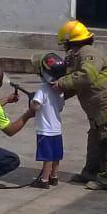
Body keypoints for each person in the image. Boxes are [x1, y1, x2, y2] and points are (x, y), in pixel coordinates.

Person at [54, 20, 107, 190]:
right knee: (95, 138)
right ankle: (91, 172)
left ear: (71, 42)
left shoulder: (88, 53)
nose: (65, 48)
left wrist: (62, 83)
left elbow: (87, 76)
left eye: (65, 44)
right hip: (98, 106)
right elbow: (77, 83)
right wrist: (56, 96)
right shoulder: (79, 55)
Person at [29, 52, 67, 189]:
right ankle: (54, 177)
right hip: (57, 129)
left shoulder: (42, 89)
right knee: (56, 155)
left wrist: (32, 101)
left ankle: (44, 180)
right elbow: (61, 107)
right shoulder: (60, 90)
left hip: (45, 130)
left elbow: (36, 106)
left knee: (47, 157)